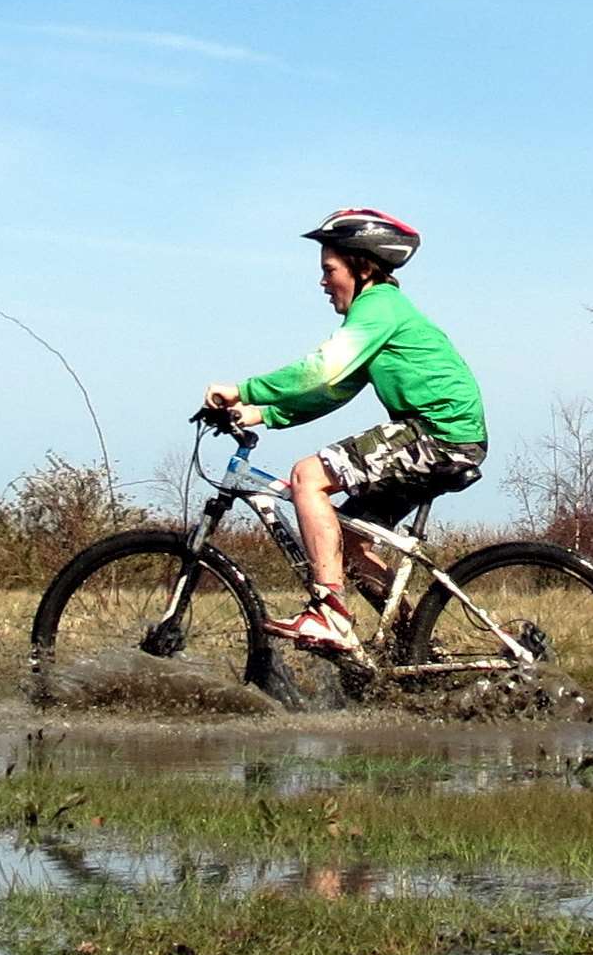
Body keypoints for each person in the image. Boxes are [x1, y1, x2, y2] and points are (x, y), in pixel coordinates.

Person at [204, 208, 487, 652]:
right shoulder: (379, 316)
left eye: (328, 270)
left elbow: (322, 367)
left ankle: (329, 612)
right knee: (351, 544)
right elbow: (333, 389)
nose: (322, 282)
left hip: (437, 435)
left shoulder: (379, 307)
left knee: (307, 477)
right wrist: (261, 413)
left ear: (363, 266)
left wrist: (242, 389)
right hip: (439, 438)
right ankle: (415, 647)